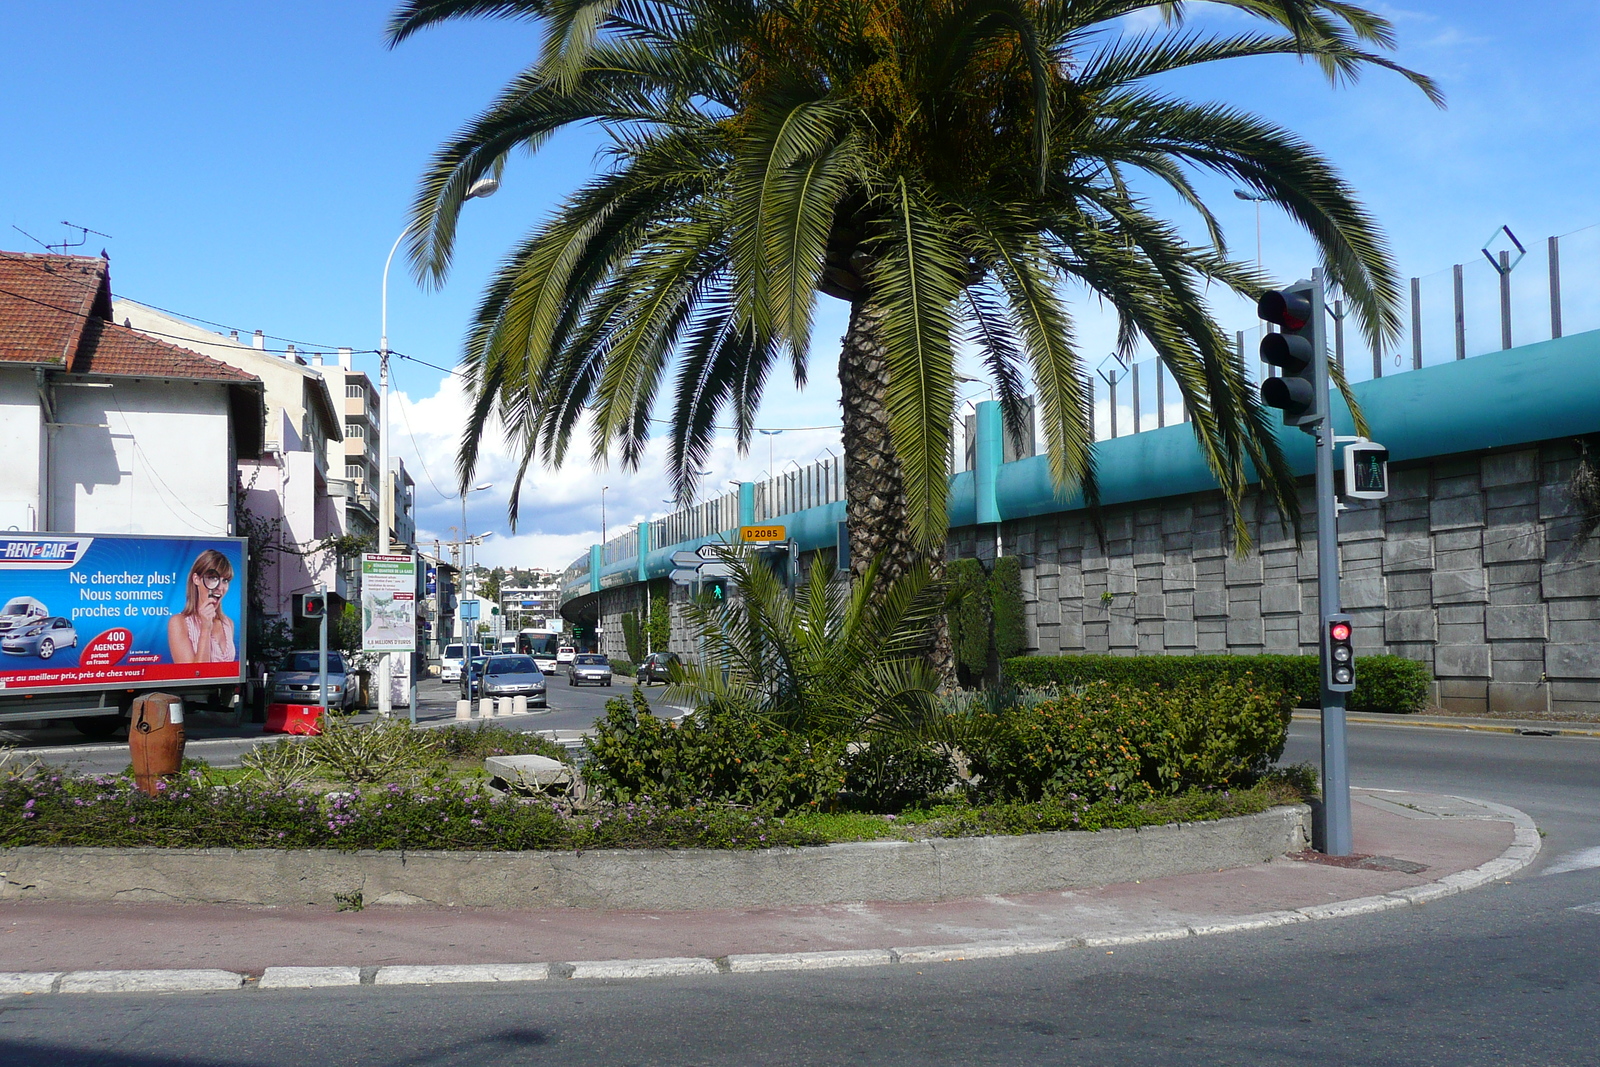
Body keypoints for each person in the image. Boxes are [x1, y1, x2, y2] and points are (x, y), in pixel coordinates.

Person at [168, 550, 236, 663]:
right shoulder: (179, 623)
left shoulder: (228, 623)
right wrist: (205, 629)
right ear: (196, 579)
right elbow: (193, 677)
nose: (220, 587)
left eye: (225, 580)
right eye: (213, 578)